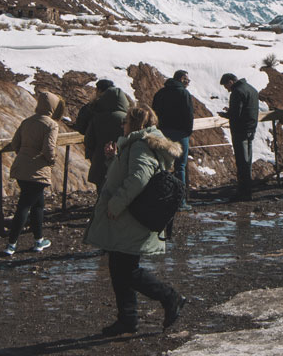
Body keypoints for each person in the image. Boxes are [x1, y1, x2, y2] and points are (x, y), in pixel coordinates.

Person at [85, 106, 187, 337]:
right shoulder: (139, 144)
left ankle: (170, 298)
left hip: (131, 216)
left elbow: (139, 178)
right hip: (132, 215)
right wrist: (113, 160)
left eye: (125, 122)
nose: (122, 126)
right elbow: (127, 174)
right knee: (120, 267)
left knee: (126, 270)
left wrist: (116, 204)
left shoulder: (140, 145)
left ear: (135, 123)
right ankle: (127, 319)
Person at [5, 91, 63, 255]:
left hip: (21, 168)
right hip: (38, 170)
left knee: (38, 204)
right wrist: (51, 160)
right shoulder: (51, 124)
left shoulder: (27, 121)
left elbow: (15, 143)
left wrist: (23, 155)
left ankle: (39, 241)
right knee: (25, 206)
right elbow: (48, 148)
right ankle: (11, 244)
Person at [74, 79, 133, 196]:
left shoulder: (95, 112)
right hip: (124, 162)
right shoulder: (129, 118)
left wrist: (92, 152)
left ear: (99, 90)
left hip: (100, 157)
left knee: (102, 192)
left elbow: (88, 139)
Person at [152, 70, 195, 209]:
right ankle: (180, 201)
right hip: (180, 133)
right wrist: (187, 132)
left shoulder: (160, 93)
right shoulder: (184, 93)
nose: (188, 82)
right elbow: (189, 114)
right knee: (180, 167)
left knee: (162, 166)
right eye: (187, 80)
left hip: (163, 132)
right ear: (182, 79)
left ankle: (162, 198)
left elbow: (154, 112)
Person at [220, 73, 261, 202]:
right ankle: (247, 191)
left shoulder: (237, 92)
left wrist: (226, 114)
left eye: (226, 86)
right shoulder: (252, 89)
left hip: (240, 131)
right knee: (247, 162)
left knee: (242, 162)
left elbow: (236, 114)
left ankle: (244, 193)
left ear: (231, 81)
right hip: (251, 129)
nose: (227, 89)